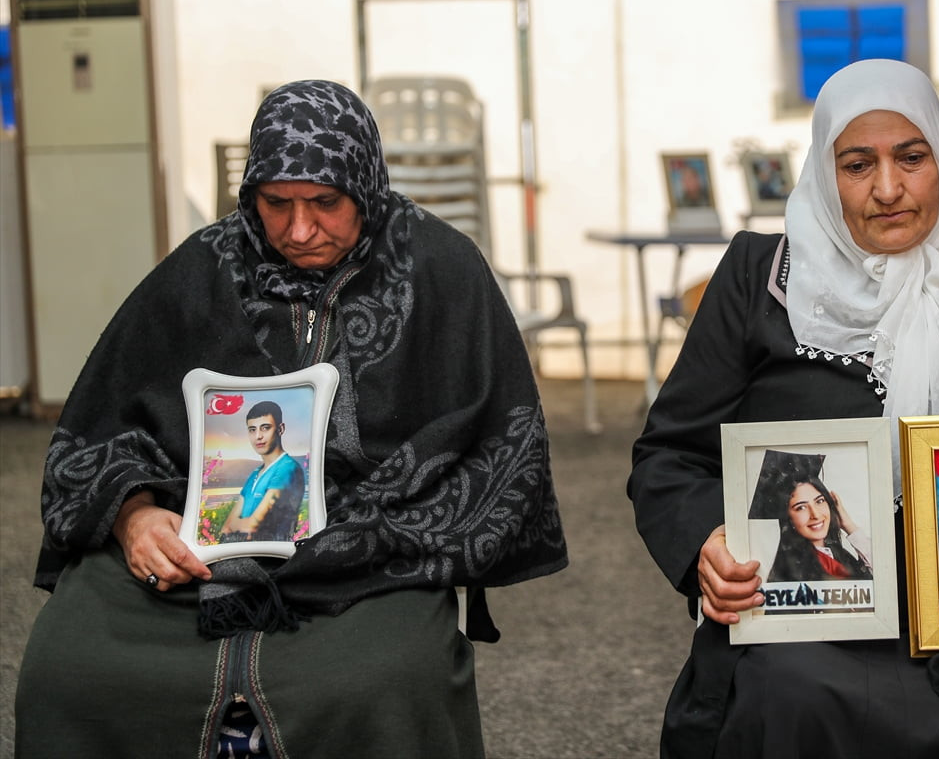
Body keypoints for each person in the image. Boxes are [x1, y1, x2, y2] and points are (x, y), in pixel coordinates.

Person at [16, 80, 568, 758]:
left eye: (326, 203)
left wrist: (364, 529)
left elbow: (498, 452)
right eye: (276, 204)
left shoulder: (442, 271)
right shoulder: (203, 268)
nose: (300, 229)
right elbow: (102, 430)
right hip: (196, 552)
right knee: (69, 666)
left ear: (364, 186)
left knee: (382, 680)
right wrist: (134, 516)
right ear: (251, 195)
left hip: (373, 558)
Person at [628, 60, 939, 758]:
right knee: (790, 696)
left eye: (911, 157)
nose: (888, 189)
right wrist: (704, 547)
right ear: (823, 175)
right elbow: (670, 454)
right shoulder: (758, 277)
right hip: (811, 622)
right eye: (857, 164)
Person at [749, 452, 870, 583]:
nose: (816, 515)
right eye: (801, 507)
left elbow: (884, 576)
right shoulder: (792, 573)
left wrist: (848, 524)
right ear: (789, 519)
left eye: (819, 501)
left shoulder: (840, 556)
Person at [219, 400, 306, 543]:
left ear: (280, 429)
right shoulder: (255, 473)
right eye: (252, 430)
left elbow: (251, 528)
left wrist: (238, 525)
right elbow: (226, 528)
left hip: (271, 558)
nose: (258, 436)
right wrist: (238, 525)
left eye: (265, 428)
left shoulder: (287, 468)